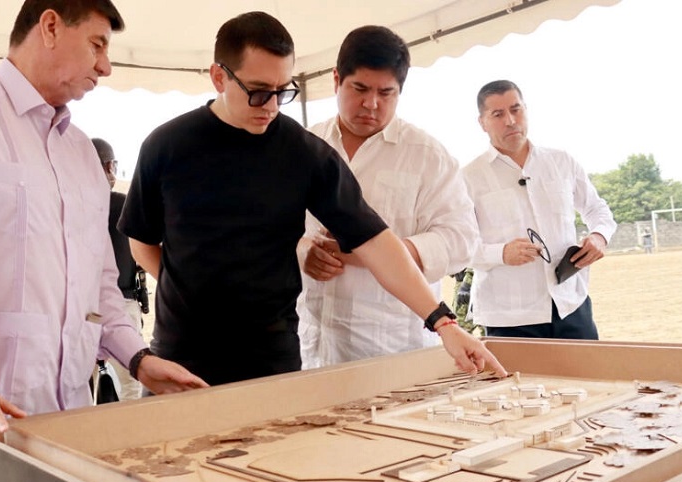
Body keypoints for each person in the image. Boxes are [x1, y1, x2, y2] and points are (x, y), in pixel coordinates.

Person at [0, 2, 206, 482]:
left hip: (63, 426)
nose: (106, 67)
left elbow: (99, 283)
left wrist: (137, 357)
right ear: (50, 26)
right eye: (97, 45)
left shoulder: (81, 152)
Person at [118, 11, 507, 387]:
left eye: (282, 92)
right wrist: (188, 292)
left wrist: (443, 322)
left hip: (271, 359)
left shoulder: (304, 152)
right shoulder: (166, 146)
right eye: (258, 92)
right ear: (219, 77)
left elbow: (375, 242)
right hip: (182, 353)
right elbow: (142, 240)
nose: (271, 106)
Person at [296, 26, 479, 368]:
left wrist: (375, 252)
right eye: (360, 89)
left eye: (386, 93)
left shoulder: (427, 156)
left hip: (393, 349)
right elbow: (276, 226)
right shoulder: (305, 145)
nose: (371, 104)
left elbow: (461, 241)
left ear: (400, 91)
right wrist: (302, 249)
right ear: (336, 80)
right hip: (314, 347)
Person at [463, 80, 616, 340]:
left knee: (590, 368)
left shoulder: (561, 161)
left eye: (516, 109)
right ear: (482, 122)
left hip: (571, 305)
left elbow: (597, 210)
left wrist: (599, 237)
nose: (510, 121)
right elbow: (458, 247)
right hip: (509, 317)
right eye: (498, 114)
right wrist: (501, 253)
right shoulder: (467, 178)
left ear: (526, 109)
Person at [91, 137, 145, 401]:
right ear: (108, 166)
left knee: (83, 385)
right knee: (132, 385)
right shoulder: (124, 204)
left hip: (81, 309)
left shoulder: (71, 205)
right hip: (122, 304)